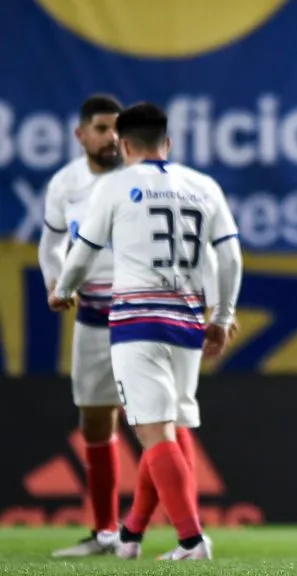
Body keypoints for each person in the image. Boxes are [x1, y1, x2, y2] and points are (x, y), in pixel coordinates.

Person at [49, 102, 243, 561]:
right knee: (167, 429)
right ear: (168, 143)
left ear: (126, 144)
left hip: (138, 320)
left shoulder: (115, 184)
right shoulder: (203, 185)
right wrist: (222, 317)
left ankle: (192, 541)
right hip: (188, 321)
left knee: (154, 434)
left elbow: (83, 250)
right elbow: (230, 257)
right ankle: (132, 532)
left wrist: (63, 289)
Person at [37, 95, 138, 557]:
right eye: (101, 128)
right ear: (81, 135)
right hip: (93, 316)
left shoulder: (139, 177)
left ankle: (187, 534)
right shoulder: (65, 184)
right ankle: (105, 532)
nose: (111, 137)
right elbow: (51, 243)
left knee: (159, 419)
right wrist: (56, 281)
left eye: (117, 128)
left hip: (142, 309)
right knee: (96, 422)